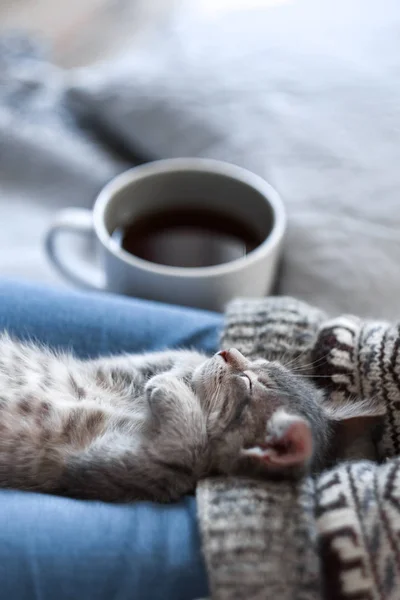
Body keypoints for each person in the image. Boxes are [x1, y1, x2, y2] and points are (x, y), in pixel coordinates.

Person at [0, 278, 222, 600]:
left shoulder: (172, 464)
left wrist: (184, 396)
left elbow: (107, 466)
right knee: (203, 350)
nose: (232, 359)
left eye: (247, 379)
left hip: (234, 511)